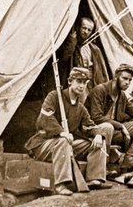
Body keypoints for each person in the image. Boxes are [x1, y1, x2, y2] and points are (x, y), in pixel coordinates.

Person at [24, 67, 114, 195]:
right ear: (70, 81)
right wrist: (61, 132)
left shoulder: (80, 108)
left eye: (84, 82)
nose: (82, 85)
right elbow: (44, 118)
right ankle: (61, 184)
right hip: (43, 145)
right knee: (63, 141)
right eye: (78, 81)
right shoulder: (54, 96)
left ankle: (95, 179)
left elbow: (90, 125)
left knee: (98, 142)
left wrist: (98, 135)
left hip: (64, 146)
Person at [85, 63, 133, 173]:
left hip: (114, 131)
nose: (127, 82)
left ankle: (128, 159)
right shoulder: (100, 90)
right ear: (115, 77)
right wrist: (120, 125)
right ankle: (105, 167)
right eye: (124, 78)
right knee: (108, 127)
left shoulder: (121, 95)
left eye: (130, 80)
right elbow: (96, 117)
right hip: (97, 131)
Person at [59, 17, 109, 95]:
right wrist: (72, 41)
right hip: (78, 82)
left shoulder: (95, 49)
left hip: (92, 81)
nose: (86, 32)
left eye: (89, 30)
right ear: (78, 28)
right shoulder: (72, 45)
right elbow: (65, 57)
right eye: (84, 28)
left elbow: (103, 71)